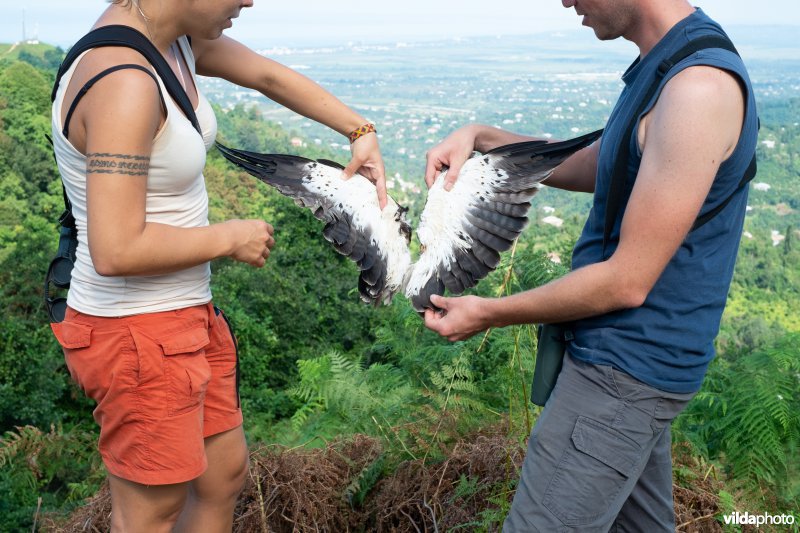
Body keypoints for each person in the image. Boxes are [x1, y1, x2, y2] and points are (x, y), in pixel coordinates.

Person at [48, 0, 387, 531]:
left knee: (222, 476)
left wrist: (358, 130)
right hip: (136, 330)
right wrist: (229, 238)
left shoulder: (174, 42)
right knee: (150, 513)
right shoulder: (123, 81)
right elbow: (116, 250)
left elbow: (266, 75)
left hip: (183, 316)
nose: (249, 1)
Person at [423, 0, 757, 530]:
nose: (565, 0)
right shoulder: (667, 61)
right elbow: (602, 161)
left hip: (621, 376)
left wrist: (488, 312)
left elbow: (627, 281)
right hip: (628, 371)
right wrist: (482, 138)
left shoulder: (697, 90)